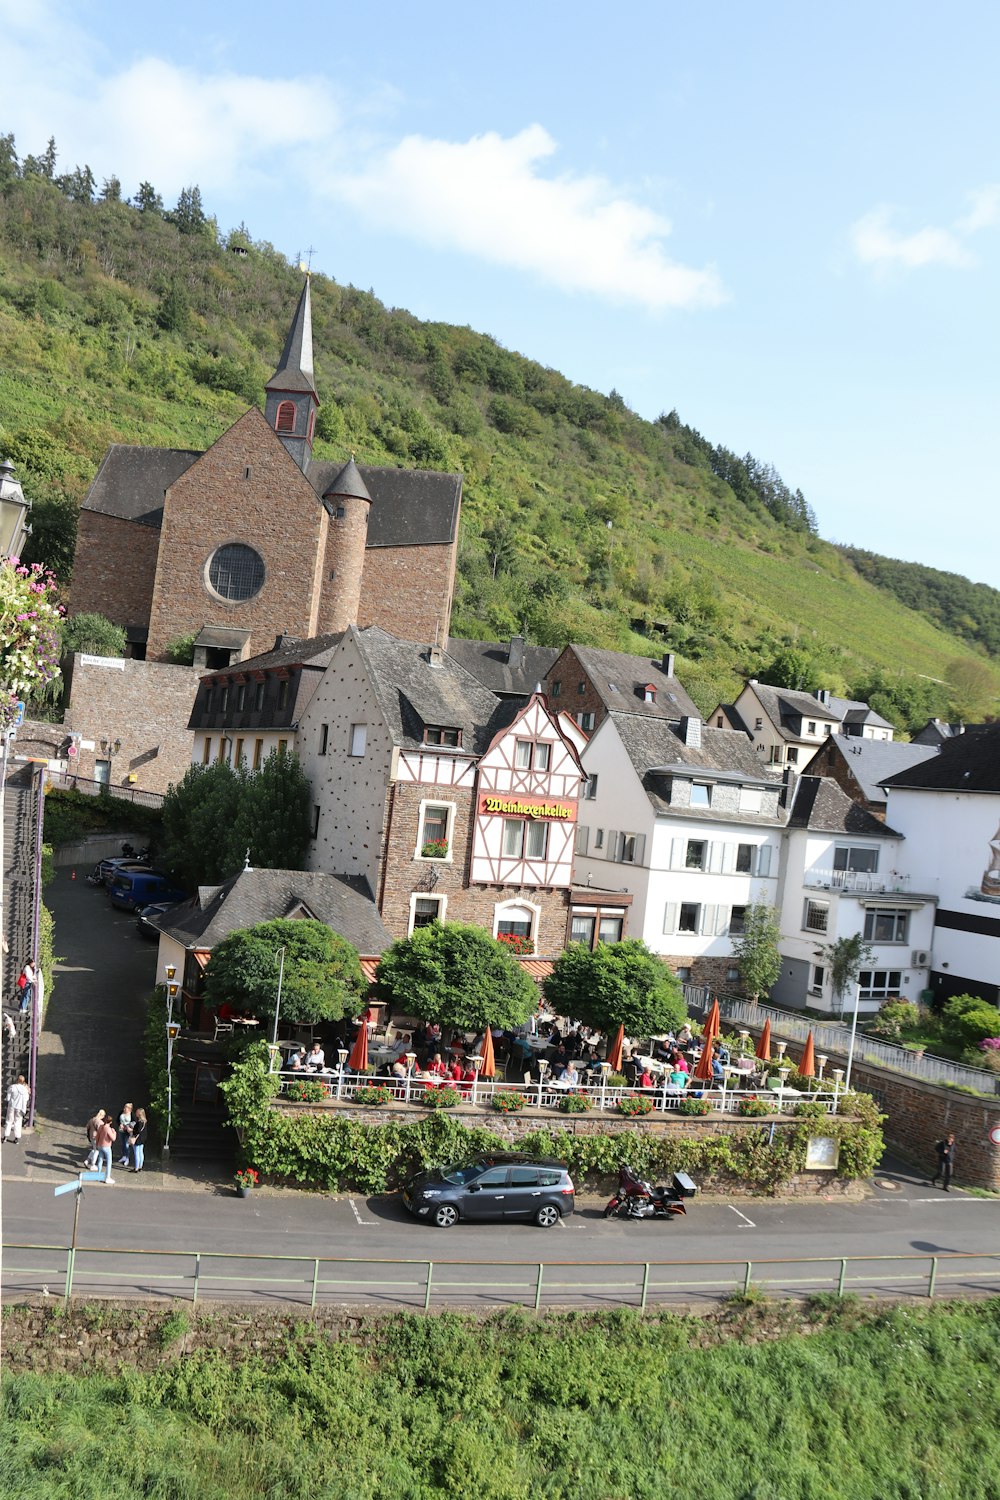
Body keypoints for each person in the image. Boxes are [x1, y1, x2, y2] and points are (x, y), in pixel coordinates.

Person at [4, 1073, 30, 1143]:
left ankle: (5, 1137)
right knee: (18, 1122)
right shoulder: (25, 1090)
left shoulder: (12, 1087)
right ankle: (16, 1138)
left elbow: (8, 1098)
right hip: (20, 1108)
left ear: (17, 1080)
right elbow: (26, 1099)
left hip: (12, 1106)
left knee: (9, 1121)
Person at [95, 1112, 117, 1184]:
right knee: (109, 1162)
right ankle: (107, 1177)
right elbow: (113, 1138)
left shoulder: (101, 1126)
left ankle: (98, 1175)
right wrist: (114, 1132)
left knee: (100, 1160)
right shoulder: (108, 1128)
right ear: (110, 1122)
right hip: (106, 1146)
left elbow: (97, 1136)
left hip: (100, 1145)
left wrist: (97, 1144)